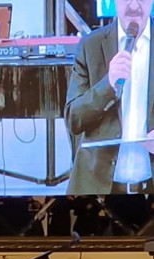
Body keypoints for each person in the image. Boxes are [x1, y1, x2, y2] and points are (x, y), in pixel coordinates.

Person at [65, 0, 154, 195]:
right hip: (99, 188)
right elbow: (73, 119)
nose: (134, 5)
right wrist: (108, 85)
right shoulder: (91, 45)